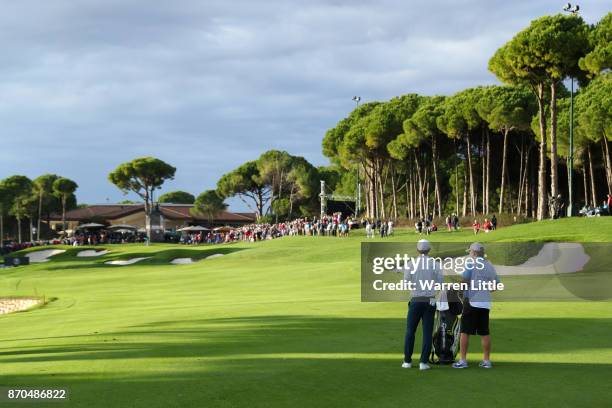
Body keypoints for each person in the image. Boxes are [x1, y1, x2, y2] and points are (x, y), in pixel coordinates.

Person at [453, 242, 500, 369]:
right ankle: (486, 361)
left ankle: (463, 360)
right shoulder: (489, 265)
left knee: (465, 331)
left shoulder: (470, 263)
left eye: (470, 252)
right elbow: (496, 285)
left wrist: (460, 292)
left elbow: (465, 281)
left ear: (474, 253)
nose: (469, 254)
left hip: (472, 301)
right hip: (485, 302)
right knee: (484, 332)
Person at [402, 239, 443, 371]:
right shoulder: (435, 264)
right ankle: (423, 362)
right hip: (430, 300)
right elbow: (440, 283)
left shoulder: (411, 264)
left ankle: (407, 361)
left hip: (415, 300)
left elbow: (406, 282)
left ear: (417, 250)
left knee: (410, 331)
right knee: (427, 332)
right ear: (429, 250)